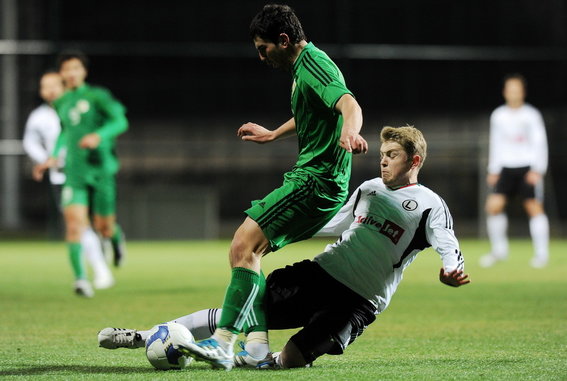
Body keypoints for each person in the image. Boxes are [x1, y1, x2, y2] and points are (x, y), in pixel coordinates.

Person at [98, 126, 470, 370]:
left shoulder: (429, 205)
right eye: (382, 154)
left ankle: (254, 359)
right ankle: (146, 336)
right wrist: (277, 232)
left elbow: (447, 243)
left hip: (361, 301)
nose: (384, 160)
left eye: (393, 155)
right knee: (243, 310)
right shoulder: (369, 189)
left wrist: (451, 269)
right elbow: (330, 223)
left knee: (292, 359)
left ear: (414, 160)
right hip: (322, 274)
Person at [175, 4, 368, 369]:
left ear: (284, 40)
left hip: (316, 181)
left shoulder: (314, 64)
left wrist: (350, 130)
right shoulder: (304, 70)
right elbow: (315, 109)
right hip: (318, 181)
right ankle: (258, 347)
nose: (261, 57)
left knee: (242, 245)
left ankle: (223, 343)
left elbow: (347, 103)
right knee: (250, 253)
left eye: (264, 49)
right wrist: (274, 133)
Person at [35, 51, 128, 297]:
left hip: (101, 170)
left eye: (76, 68)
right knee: (74, 225)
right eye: (67, 69)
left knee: (103, 227)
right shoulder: (62, 101)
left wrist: (99, 135)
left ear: (83, 71)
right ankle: (81, 280)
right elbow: (66, 131)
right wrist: (54, 156)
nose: (71, 73)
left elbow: (121, 122)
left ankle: (116, 240)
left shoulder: (97, 96)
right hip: (74, 173)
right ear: (62, 73)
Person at [24, 70, 114, 290]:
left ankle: (111, 239)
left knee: (102, 225)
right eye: (45, 86)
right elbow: (30, 142)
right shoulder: (39, 117)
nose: (51, 90)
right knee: (78, 226)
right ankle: (96, 272)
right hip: (63, 177)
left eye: (55, 84)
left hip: (93, 174)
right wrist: (46, 160)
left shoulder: (83, 108)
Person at [479, 74, 549, 269]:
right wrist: (493, 169)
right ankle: (499, 251)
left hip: (527, 167)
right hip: (505, 168)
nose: (513, 93)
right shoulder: (498, 115)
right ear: (505, 92)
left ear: (523, 92)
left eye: (517, 89)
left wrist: (538, 169)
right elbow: (496, 143)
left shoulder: (531, 114)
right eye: (510, 89)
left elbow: (540, 142)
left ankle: (541, 255)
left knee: (534, 208)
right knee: (493, 207)